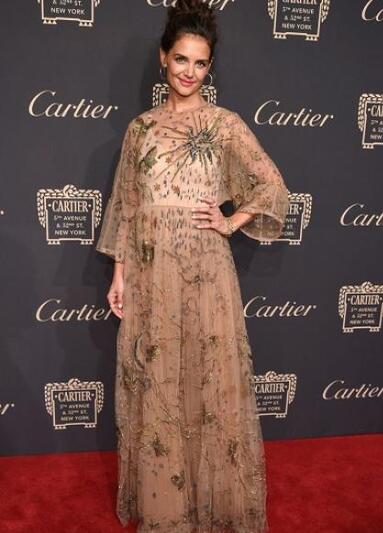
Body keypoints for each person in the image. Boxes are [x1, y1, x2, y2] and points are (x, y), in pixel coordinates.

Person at [95, 0, 290, 531]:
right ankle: (168, 511)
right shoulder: (140, 130)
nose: (189, 72)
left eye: (200, 63)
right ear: (163, 57)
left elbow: (272, 186)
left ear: (209, 68)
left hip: (206, 274)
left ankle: (215, 508)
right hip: (150, 273)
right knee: (157, 385)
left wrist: (231, 220)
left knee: (207, 387)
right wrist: (120, 274)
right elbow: (126, 206)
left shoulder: (224, 125)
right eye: (180, 59)